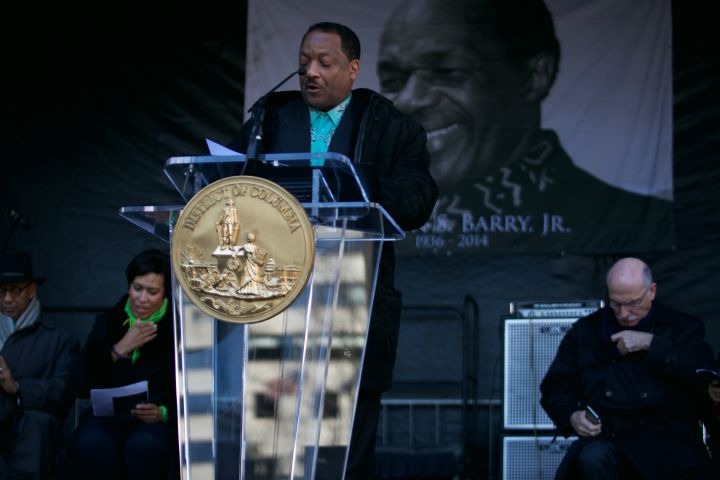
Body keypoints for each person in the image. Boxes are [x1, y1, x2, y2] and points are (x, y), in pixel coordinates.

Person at [229, 21, 438, 480]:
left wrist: (356, 191)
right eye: (304, 62)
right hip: (278, 298)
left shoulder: (389, 125)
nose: (311, 72)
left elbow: (419, 197)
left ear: (354, 69)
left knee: (343, 446)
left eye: (325, 62)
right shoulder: (270, 118)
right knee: (275, 438)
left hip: (353, 301)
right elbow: (229, 179)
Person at [377, 0, 672, 254]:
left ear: (535, 77)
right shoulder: (370, 228)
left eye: (447, 71)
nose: (409, 99)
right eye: (392, 80)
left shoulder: (638, 221)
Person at [540, 257, 716, 479]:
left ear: (651, 291)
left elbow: (704, 375)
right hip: (610, 438)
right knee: (591, 459)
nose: (624, 313)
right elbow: (555, 385)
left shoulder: (683, 327)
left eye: (633, 303)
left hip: (670, 442)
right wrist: (571, 416)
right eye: (616, 303)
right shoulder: (586, 331)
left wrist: (651, 344)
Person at [69, 249, 178, 480]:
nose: (142, 298)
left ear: (166, 293)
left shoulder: (179, 327)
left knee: (145, 446)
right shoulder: (108, 321)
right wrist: (119, 349)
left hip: (153, 421)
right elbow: (79, 381)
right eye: (137, 288)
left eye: (152, 291)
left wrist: (164, 412)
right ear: (129, 286)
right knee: (92, 442)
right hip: (107, 418)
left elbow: (193, 384)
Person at [0, 251, 79, 480]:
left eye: (16, 289)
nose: (7, 298)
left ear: (32, 289)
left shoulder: (59, 338)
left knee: (37, 426)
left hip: (27, 429)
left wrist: (16, 387)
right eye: (2, 290)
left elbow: (62, 391)